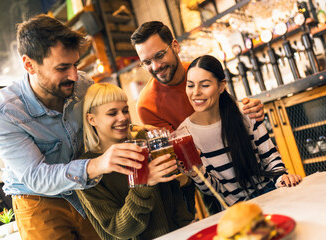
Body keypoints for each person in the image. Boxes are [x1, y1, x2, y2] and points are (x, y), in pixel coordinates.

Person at [0, 14, 145, 240]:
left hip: (88, 191)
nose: (73, 75)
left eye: (75, 64)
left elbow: (106, 128)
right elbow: (36, 176)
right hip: (38, 201)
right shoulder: (3, 112)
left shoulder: (83, 84)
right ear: (29, 64)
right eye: (62, 68)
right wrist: (97, 164)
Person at [130, 21, 265, 214]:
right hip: (204, 175)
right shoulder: (146, 104)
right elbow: (181, 156)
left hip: (239, 151)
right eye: (147, 62)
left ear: (175, 46)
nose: (155, 66)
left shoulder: (201, 72)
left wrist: (249, 109)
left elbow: (229, 107)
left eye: (160, 55)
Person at [178, 55, 302, 209]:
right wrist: (195, 173)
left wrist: (281, 177)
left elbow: (270, 157)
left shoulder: (246, 112)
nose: (195, 93)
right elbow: (215, 190)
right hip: (236, 209)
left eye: (204, 85)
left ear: (221, 86)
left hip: (271, 194)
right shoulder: (185, 134)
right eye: (190, 85)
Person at [76, 83, 194, 240]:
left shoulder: (144, 141)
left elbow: (175, 196)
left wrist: (186, 177)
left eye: (125, 111)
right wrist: (144, 184)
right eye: (112, 113)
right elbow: (119, 229)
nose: (123, 118)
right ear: (92, 119)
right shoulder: (86, 170)